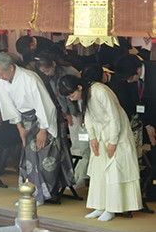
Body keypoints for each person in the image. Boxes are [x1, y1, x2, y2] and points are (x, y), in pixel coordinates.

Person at [0, 52, 74, 206]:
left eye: (1, 73)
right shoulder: (1, 82)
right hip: (26, 121)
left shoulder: (30, 78)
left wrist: (43, 130)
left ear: (10, 67)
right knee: (29, 158)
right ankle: (31, 193)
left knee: (45, 155)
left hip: (44, 119)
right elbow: (8, 107)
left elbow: (44, 105)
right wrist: (19, 127)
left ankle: (43, 194)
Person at [59, 75, 142, 221]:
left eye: (72, 95)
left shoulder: (100, 91)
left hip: (117, 131)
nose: (72, 99)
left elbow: (114, 117)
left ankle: (112, 208)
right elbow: (88, 117)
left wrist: (113, 142)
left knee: (114, 170)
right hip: (100, 132)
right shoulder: (82, 96)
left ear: (79, 87)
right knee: (98, 170)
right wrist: (92, 138)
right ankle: (100, 206)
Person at [33, 51, 88, 189]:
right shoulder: (52, 77)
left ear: (53, 64)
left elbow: (77, 97)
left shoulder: (69, 73)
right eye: (43, 72)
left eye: (47, 70)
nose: (46, 74)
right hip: (69, 113)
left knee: (81, 145)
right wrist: (66, 114)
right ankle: (75, 176)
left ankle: (81, 177)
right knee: (75, 144)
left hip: (79, 112)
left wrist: (76, 114)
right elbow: (60, 98)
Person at [115, 54, 156, 183]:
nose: (128, 81)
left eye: (130, 78)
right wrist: (148, 125)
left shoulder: (153, 72)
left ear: (138, 70)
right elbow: (137, 99)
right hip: (147, 117)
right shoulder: (130, 76)